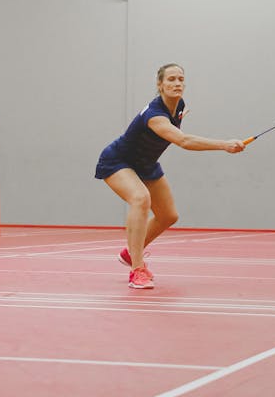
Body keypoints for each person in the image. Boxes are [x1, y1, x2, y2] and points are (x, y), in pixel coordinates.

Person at [95, 63, 245, 289]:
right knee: (140, 198)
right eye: (171, 79)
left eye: (180, 79)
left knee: (168, 215)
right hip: (119, 161)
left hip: (146, 164)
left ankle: (130, 253)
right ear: (160, 85)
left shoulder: (179, 105)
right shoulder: (155, 115)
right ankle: (137, 269)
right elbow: (184, 141)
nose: (177, 83)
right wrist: (224, 145)